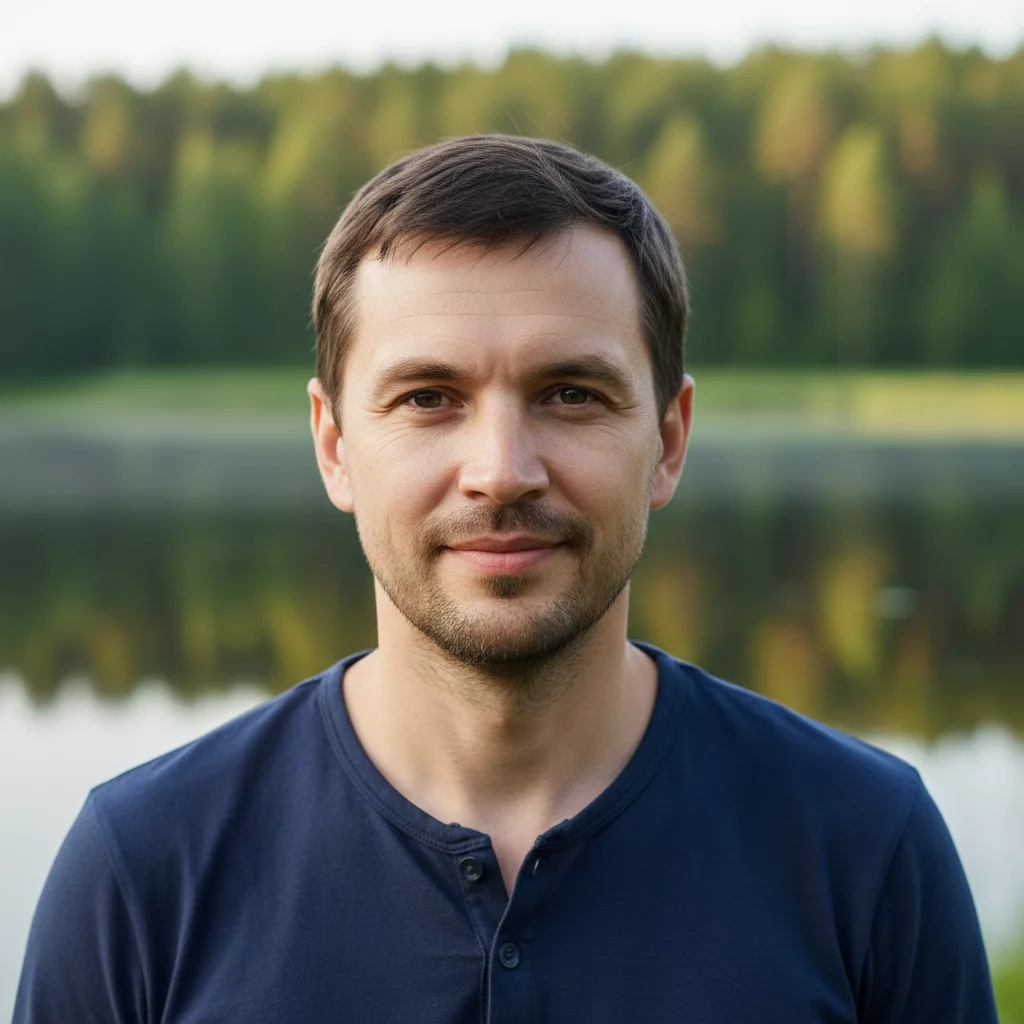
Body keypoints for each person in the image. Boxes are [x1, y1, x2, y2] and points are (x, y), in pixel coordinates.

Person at [14, 135, 996, 1023]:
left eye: (571, 394)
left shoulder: (863, 848)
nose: (501, 469)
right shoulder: (146, 868)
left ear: (666, 439)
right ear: (333, 444)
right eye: (428, 397)